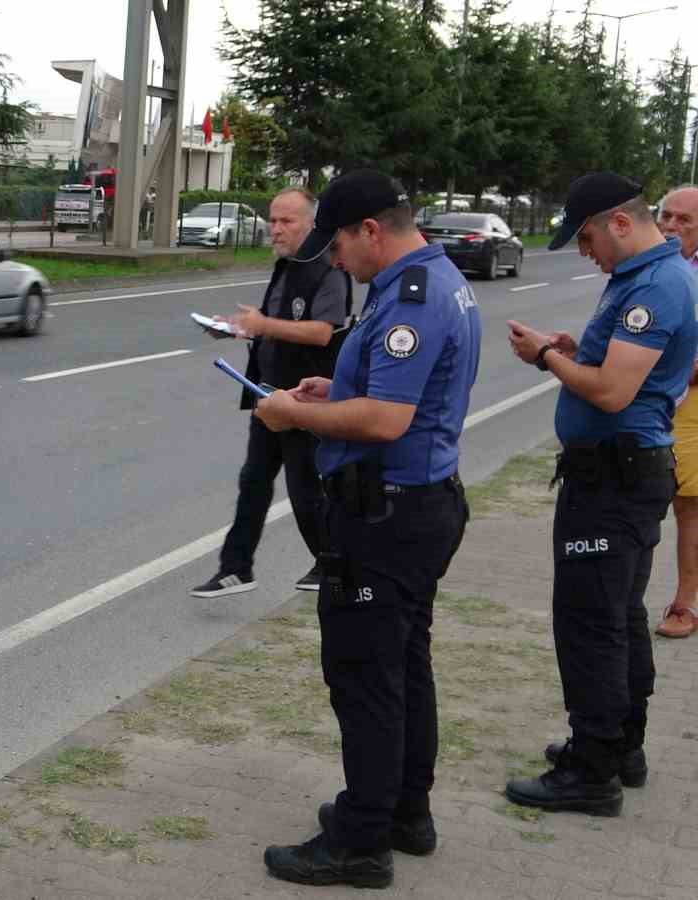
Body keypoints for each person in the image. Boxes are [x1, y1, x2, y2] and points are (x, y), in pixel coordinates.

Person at [254, 170, 480, 889]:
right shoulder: (430, 278)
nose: (334, 259)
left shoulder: (414, 293)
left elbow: (388, 421)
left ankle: (360, 840)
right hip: (416, 504)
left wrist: (296, 415)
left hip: (388, 513)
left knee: (365, 676)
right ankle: (404, 810)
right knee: (405, 664)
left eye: (339, 244)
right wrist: (336, 390)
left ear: (371, 232)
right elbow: (388, 391)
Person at [504, 173, 698, 816]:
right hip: (622, 471)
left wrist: (543, 357)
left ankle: (593, 769)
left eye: (585, 236)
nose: (584, 250)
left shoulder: (657, 285)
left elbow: (614, 393)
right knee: (617, 615)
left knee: (591, 622)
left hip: (615, 477)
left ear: (620, 222)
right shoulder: (647, 277)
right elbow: (622, 367)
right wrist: (573, 349)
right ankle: (620, 747)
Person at [191, 186, 353, 598]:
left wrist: (264, 326)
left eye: (286, 221)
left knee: (305, 489)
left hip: (305, 401)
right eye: (273, 220)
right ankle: (235, 569)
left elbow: (320, 332)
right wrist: (236, 328)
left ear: (311, 223)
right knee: (254, 483)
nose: (275, 229)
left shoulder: (328, 269)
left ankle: (335, 565)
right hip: (266, 395)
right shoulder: (285, 266)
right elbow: (271, 323)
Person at [655, 184, 698, 639]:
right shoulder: (650, 265)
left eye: (683, 220)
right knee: (641, 499)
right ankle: (626, 598)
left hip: (692, 405)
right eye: (666, 216)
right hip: (646, 400)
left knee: (689, 507)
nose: (670, 226)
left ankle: (685, 604)